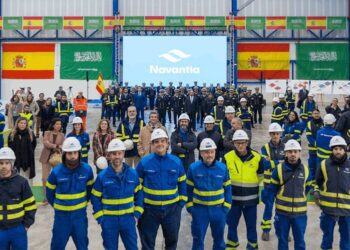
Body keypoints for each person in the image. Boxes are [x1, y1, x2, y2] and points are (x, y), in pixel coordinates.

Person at [136, 129, 187, 250]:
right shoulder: (144, 162)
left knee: (171, 242)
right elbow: (137, 187)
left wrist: (181, 204)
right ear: (152, 145)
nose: (160, 144)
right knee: (147, 243)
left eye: (162, 141)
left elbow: (182, 183)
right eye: (156, 142)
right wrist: (140, 206)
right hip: (149, 211)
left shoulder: (176, 162)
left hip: (172, 210)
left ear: (167, 143)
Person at [91, 139, 143, 250]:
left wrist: (137, 214)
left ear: (123, 154)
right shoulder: (102, 176)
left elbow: (139, 195)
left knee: (132, 247)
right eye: (114, 154)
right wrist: (100, 218)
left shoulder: (132, 174)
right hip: (109, 221)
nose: (117, 156)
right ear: (109, 155)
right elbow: (95, 198)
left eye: (119, 153)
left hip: (128, 219)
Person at [46, 137, 94, 250]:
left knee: (82, 246)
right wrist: (59, 206)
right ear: (64, 154)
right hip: (61, 217)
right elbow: (49, 194)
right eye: (69, 153)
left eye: (75, 153)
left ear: (79, 153)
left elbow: (89, 190)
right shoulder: (56, 172)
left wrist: (81, 204)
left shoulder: (87, 170)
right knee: (57, 246)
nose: (73, 156)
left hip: (80, 217)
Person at [186, 138, 232, 250]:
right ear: (201, 153)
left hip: (218, 210)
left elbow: (228, 188)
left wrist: (226, 207)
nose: (209, 155)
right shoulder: (193, 168)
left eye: (212, 152)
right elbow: (188, 189)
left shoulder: (222, 168)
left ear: (215, 152)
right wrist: (191, 208)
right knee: (198, 240)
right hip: (199, 210)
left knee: (219, 240)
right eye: (206, 152)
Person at [268, 139, 314, 250]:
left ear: (299, 153)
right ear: (286, 153)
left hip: (300, 214)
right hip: (282, 214)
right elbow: (272, 191)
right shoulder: (278, 170)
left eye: (295, 151)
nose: (293, 154)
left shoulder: (306, 170)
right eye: (290, 151)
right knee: (282, 241)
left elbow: (308, 187)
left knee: (300, 241)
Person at [224, 130, 264, 250]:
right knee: (231, 225)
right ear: (233, 143)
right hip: (233, 200)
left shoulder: (257, 158)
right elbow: (224, 178)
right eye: (237, 143)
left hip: (251, 201)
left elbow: (260, 177)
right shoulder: (228, 157)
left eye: (242, 142)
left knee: (251, 225)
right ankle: (232, 244)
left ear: (247, 142)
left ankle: (252, 245)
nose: (240, 145)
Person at [314, 136, 350, 250]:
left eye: (340, 148)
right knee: (327, 237)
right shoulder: (324, 164)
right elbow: (317, 182)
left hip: (347, 209)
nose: (338, 151)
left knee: (346, 238)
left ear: (344, 150)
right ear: (331, 150)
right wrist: (316, 191)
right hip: (328, 209)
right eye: (335, 148)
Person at [0, 147, 37, 250]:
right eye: (1, 163)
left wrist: (26, 225)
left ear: (12, 164)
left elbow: (30, 205)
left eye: (7, 163)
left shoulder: (21, 182)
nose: (4, 166)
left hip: (18, 229)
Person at [260, 123, 285, 241]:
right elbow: (265, 164)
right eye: (273, 134)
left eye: (277, 133)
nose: (275, 135)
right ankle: (265, 230)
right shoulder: (265, 147)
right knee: (268, 207)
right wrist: (279, 162)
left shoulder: (286, 147)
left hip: (282, 183)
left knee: (282, 208)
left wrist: (273, 162)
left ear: (280, 134)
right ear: (270, 134)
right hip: (269, 183)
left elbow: (288, 163)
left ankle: (281, 230)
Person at [39, 118, 65, 205]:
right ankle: (46, 198)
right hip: (46, 157)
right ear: (53, 125)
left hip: (56, 158)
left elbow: (63, 146)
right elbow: (45, 143)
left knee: (57, 177)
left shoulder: (62, 135)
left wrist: (55, 146)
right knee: (45, 178)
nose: (59, 125)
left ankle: (57, 195)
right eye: (57, 124)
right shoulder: (47, 133)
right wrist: (57, 145)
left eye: (60, 124)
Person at [8, 117, 37, 186]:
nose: (23, 125)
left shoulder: (31, 134)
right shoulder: (12, 134)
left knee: (27, 182)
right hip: (16, 162)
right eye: (21, 123)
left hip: (28, 162)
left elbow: (33, 146)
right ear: (17, 123)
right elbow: (10, 148)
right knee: (16, 182)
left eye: (24, 123)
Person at [306, 109, 324, 180]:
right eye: (314, 113)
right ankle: (312, 184)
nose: (316, 115)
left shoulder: (323, 123)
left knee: (321, 167)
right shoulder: (309, 123)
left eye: (317, 113)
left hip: (321, 150)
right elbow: (309, 136)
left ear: (319, 114)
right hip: (312, 150)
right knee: (312, 167)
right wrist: (316, 144)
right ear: (312, 115)